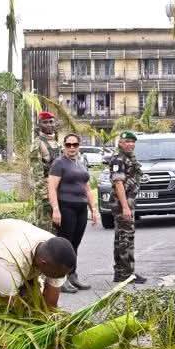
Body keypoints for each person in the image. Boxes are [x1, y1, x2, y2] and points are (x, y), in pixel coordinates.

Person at [0, 219, 76, 309]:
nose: (58, 277)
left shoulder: (57, 257)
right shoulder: (10, 258)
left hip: (5, 244)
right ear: (43, 263)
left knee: (33, 300)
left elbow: (51, 304)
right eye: (56, 275)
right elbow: (9, 301)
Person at [46, 132, 99, 293]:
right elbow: (52, 188)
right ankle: (60, 280)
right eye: (68, 145)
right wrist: (56, 209)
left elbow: (87, 188)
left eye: (74, 145)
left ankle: (72, 275)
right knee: (65, 245)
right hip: (66, 206)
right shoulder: (59, 163)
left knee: (75, 244)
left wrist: (93, 209)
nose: (71, 148)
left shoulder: (81, 162)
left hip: (81, 207)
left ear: (78, 146)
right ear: (64, 146)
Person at [108, 130, 146, 284]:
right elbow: (118, 184)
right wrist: (125, 207)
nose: (130, 144)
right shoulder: (118, 160)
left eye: (132, 142)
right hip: (121, 202)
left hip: (127, 201)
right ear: (120, 143)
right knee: (126, 238)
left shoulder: (129, 158)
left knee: (121, 237)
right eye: (127, 142)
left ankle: (121, 272)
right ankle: (126, 273)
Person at [31, 111, 62, 229]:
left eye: (51, 122)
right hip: (46, 194)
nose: (49, 125)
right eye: (45, 122)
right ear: (39, 125)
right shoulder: (37, 144)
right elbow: (37, 174)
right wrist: (45, 197)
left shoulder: (57, 143)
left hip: (59, 192)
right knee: (46, 230)